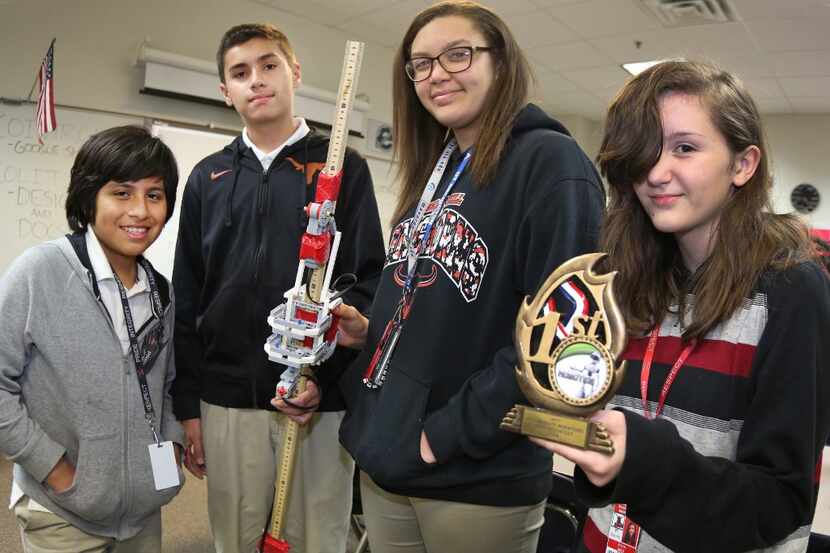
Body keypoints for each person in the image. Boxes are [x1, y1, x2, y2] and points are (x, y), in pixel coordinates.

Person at [289, 2, 605, 552]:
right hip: (391, 460)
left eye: (457, 54)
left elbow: (559, 339)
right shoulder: (437, 169)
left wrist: (443, 437)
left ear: (501, 62)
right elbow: (436, 302)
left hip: (475, 475)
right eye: (420, 64)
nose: (437, 74)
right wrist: (370, 331)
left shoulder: (553, 165)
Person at [533, 60, 830, 552]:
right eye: (644, 152)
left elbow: (780, 501)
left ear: (743, 164)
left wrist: (648, 461)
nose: (655, 172)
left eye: (685, 148)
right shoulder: (622, 281)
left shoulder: (790, 293)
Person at [171, 23, 385, 553]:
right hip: (228, 404)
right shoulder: (208, 178)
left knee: (317, 538)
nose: (256, 81)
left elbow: (367, 281)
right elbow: (190, 294)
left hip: (316, 401)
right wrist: (190, 408)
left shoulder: (341, 167)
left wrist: (326, 377)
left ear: (294, 72)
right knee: (236, 539)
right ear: (226, 91)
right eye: (240, 73)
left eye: (269, 65)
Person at [0, 125, 184, 552]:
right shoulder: (39, 272)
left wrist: (172, 448)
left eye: (154, 195)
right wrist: (52, 468)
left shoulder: (160, 290)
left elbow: (168, 385)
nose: (140, 211)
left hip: (141, 516)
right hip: (62, 511)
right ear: (89, 197)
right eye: (121, 193)